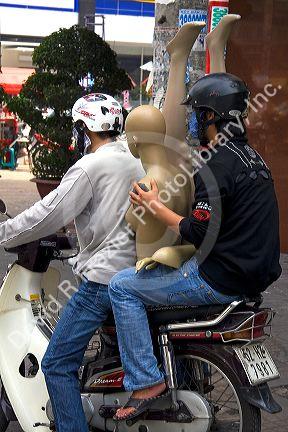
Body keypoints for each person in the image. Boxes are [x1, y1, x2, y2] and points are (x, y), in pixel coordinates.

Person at [108, 73, 282, 421]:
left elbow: (198, 231)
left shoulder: (214, 164)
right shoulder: (252, 158)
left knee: (121, 287)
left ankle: (145, 381)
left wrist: (154, 205)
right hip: (253, 279)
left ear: (210, 117)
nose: (191, 122)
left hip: (217, 279)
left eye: (196, 114)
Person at [0, 93, 144, 432]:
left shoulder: (91, 166)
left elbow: (47, 213)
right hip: (134, 271)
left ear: (85, 129)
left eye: (76, 128)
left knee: (58, 363)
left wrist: (5, 233)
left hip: (103, 280)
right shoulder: (133, 159)